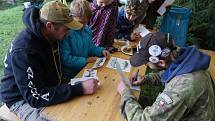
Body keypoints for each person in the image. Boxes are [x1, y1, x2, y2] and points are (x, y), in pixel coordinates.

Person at [0, 1, 99, 121]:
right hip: (21, 98)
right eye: (66, 29)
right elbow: (34, 98)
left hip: (47, 86)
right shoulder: (25, 51)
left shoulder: (51, 34)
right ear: (49, 26)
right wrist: (78, 88)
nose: (69, 34)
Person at [117, 32, 215, 120]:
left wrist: (125, 94)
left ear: (161, 62)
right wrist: (146, 79)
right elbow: (170, 73)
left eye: (146, 63)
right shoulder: (179, 55)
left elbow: (142, 119)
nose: (146, 65)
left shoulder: (180, 90)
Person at [60, 0, 110, 79]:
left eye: (85, 22)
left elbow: (90, 48)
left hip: (84, 69)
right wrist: (85, 60)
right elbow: (66, 59)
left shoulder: (86, 30)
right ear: (71, 18)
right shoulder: (66, 34)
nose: (83, 25)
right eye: (80, 22)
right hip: (71, 75)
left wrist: (101, 51)